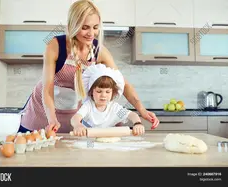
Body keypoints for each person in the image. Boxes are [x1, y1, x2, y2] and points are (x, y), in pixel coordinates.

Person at [18, 0, 159, 133]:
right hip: (43, 111)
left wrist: (142, 110)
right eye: (85, 28)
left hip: (71, 114)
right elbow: (47, 87)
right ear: (73, 25)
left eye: (95, 27)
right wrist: (51, 118)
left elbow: (123, 83)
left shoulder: (99, 51)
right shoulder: (56, 45)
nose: (91, 33)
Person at [71, 64, 145, 136]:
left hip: (108, 141)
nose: (103, 95)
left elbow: (131, 115)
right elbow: (75, 118)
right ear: (91, 92)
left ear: (113, 93)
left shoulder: (114, 108)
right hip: (89, 140)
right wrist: (78, 125)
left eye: (108, 92)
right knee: (90, 148)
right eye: (99, 91)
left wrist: (137, 123)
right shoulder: (89, 106)